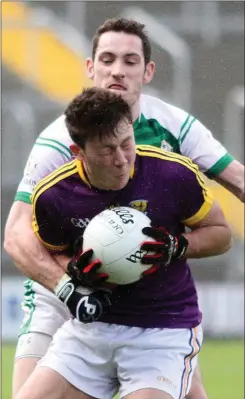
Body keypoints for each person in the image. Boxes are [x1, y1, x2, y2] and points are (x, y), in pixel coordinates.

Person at [4, 17, 243, 399]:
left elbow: (237, 183)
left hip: (153, 299)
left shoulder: (174, 128)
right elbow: (17, 236)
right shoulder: (57, 142)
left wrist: (177, 246)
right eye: (108, 59)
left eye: (130, 61)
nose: (117, 70)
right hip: (61, 287)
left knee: (186, 386)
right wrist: (68, 284)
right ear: (90, 67)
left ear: (148, 70)